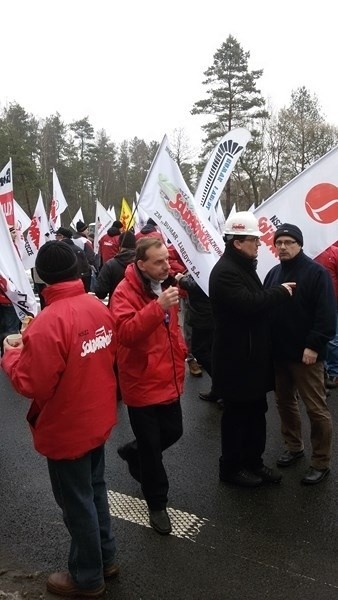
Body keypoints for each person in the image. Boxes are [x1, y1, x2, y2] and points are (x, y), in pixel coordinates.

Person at [1, 241, 118, 597]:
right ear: (77, 269)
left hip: (68, 427)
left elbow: (31, 383)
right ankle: (106, 558)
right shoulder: (97, 307)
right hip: (98, 417)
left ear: (42, 277)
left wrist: (10, 356)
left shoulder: (47, 322)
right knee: (94, 490)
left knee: (76, 502)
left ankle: (87, 576)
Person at [209, 211, 295, 487]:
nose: (259, 244)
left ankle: (253, 462)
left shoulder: (243, 266)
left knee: (256, 412)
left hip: (251, 357)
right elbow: (249, 303)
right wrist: (280, 292)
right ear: (237, 242)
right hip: (235, 360)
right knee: (236, 416)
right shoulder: (224, 272)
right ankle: (231, 468)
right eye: (253, 240)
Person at [111, 237, 186, 535]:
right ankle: (157, 503)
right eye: (158, 261)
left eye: (166, 259)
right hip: (141, 381)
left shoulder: (166, 284)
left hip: (168, 376)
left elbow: (172, 328)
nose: (166, 265)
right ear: (141, 264)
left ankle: (133, 451)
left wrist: (181, 347)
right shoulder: (123, 292)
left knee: (174, 431)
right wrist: (157, 307)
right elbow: (126, 333)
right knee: (153, 451)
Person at [264, 223, 336, 485]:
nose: (282, 247)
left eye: (288, 242)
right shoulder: (273, 273)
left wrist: (314, 346)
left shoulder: (317, 273)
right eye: (278, 243)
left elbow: (327, 314)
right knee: (284, 403)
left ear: (299, 244)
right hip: (279, 354)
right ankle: (294, 447)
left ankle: (321, 461)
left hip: (307, 356)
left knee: (316, 409)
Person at [315, 242, 338, 388]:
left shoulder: (334, 252)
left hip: (332, 302)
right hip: (312, 302)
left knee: (333, 338)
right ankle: (321, 371)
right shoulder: (308, 253)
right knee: (317, 336)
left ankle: (334, 372)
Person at [94, 231, 136, 306]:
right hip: (139, 309)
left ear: (119, 246)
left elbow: (100, 293)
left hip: (116, 307)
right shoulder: (143, 264)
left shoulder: (110, 265)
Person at [55, 227, 92, 292]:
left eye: (57, 235)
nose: (55, 238)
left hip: (62, 283)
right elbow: (85, 267)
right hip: (77, 282)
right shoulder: (78, 249)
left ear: (62, 236)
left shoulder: (58, 250)